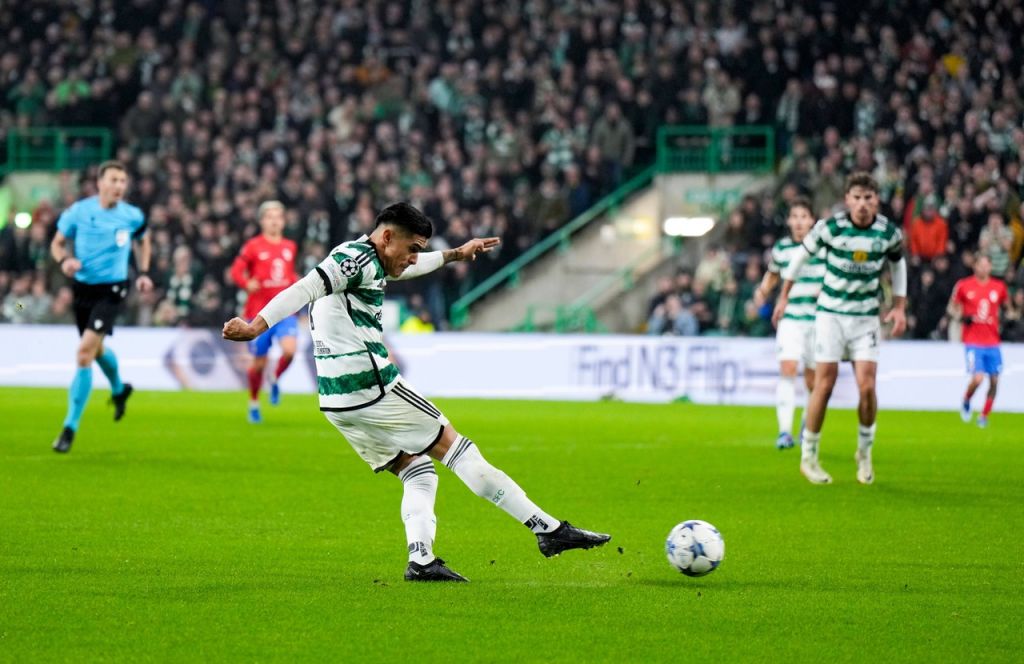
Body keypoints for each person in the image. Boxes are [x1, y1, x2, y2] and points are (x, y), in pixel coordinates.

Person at [222, 202, 610, 582]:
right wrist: (257, 326)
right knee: (459, 450)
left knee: (417, 470)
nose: (412, 258)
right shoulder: (354, 260)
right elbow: (304, 288)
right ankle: (547, 529)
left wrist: (456, 254)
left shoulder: (370, 260)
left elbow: (410, 268)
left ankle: (421, 560)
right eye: (411, 248)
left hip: (337, 401)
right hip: (371, 386)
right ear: (388, 236)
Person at [773, 173, 907, 485]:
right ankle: (809, 456)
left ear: (877, 200)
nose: (862, 204)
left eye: (868, 198)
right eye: (856, 198)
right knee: (824, 384)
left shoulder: (888, 232)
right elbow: (798, 259)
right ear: (847, 199)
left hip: (865, 318)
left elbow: (898, 263)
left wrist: (899, 306)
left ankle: (864, 452)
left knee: (867, 386)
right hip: (831, 316)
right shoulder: (830, 228)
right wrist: (784, 296)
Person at [49, 161, 153, 453]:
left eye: (123, 181)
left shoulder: (132, 215)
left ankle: (69, 428)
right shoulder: (79, 212)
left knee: (84, 353)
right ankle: (119, 389)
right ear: (100, 183)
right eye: (114, 180)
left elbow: (144, 240)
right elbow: (57, 243)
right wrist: (64, 261)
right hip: (83, 289)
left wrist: (144, 273)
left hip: (113, 289)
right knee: (95, 350)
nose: (119, 186)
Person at [754, 197, 824, 450]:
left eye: (804, 217)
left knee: (813, 380)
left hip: (818, 321)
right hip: (790, 318)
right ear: (788, 221)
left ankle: (806, 423)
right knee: (788, 368)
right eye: (794, 217)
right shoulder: (782, 249)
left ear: (812, 220)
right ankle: (784, 431)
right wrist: (762, 291)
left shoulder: (822, 248)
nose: (799, 222)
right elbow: (773, 275)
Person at [229, 201, 300, 423]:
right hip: (258, 313)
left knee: (289, 351)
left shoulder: (290, 246)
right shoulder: (253, 246)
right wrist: (246, 283)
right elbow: (236, 271)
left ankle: (275, 377)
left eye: (278, 216)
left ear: (284, 221)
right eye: (270, 216)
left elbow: (289, 274)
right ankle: (253, 402)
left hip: (285, 311)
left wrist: (296, 285)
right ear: (262, 221)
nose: (274, 220)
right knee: (258, 364)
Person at [948, 255, 1010, 428]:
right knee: (978, 378)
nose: (983, 268)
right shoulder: (964, 285)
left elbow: (1008, 308)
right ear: (974, 266)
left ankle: (984, 415)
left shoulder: (999, 287)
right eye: (980, 265)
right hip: (973, 341)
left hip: (993, 341)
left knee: (995, 380)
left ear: (990, 267)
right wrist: (961, 317)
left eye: (986, 265)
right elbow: (952, 307)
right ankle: (966, 399)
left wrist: (1008, 319)